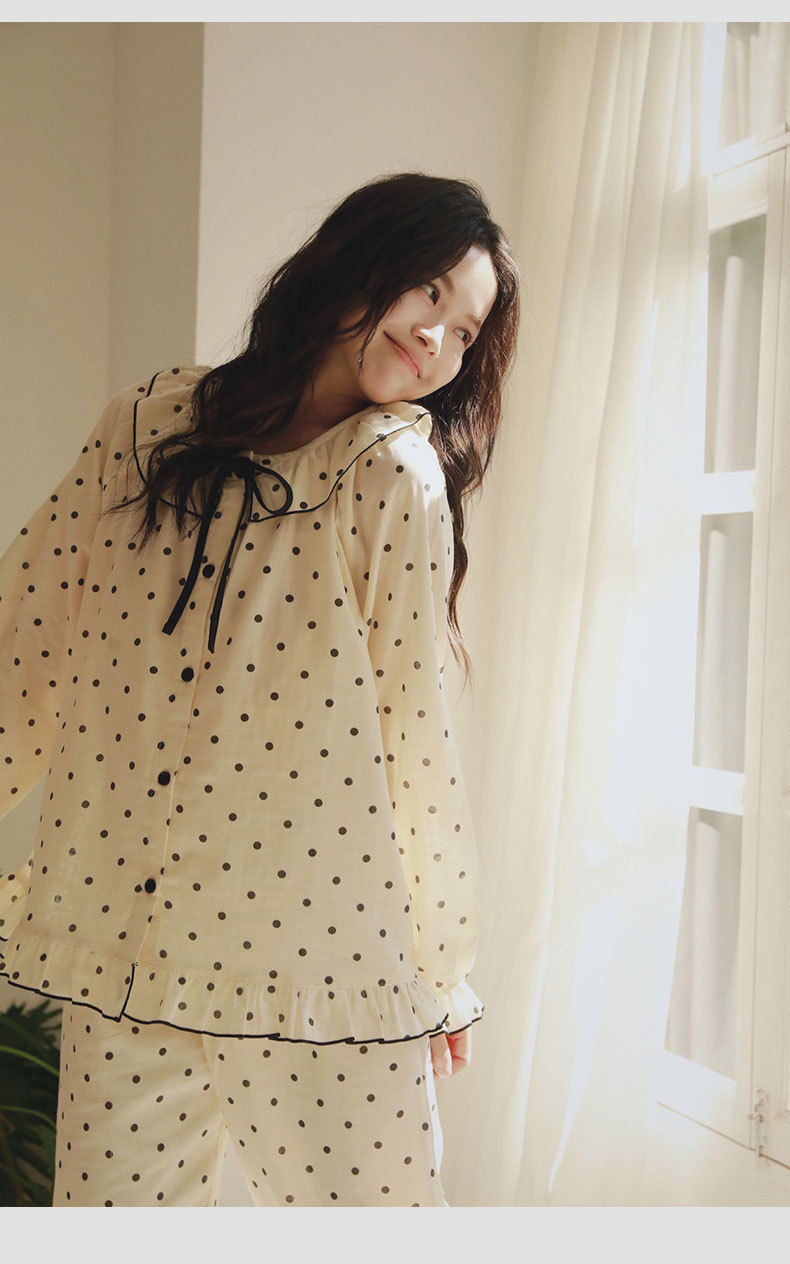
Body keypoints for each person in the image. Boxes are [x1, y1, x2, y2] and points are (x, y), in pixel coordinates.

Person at [0, 171, 520, 1206]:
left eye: (465, 333)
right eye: (429, 292)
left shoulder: (395, 478)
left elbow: (414, 733)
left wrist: (438, 963)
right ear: (355, 261)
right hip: (127, 941)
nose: (437, 340)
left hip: (318, 960)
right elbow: (25, 647)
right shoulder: (142, 430)